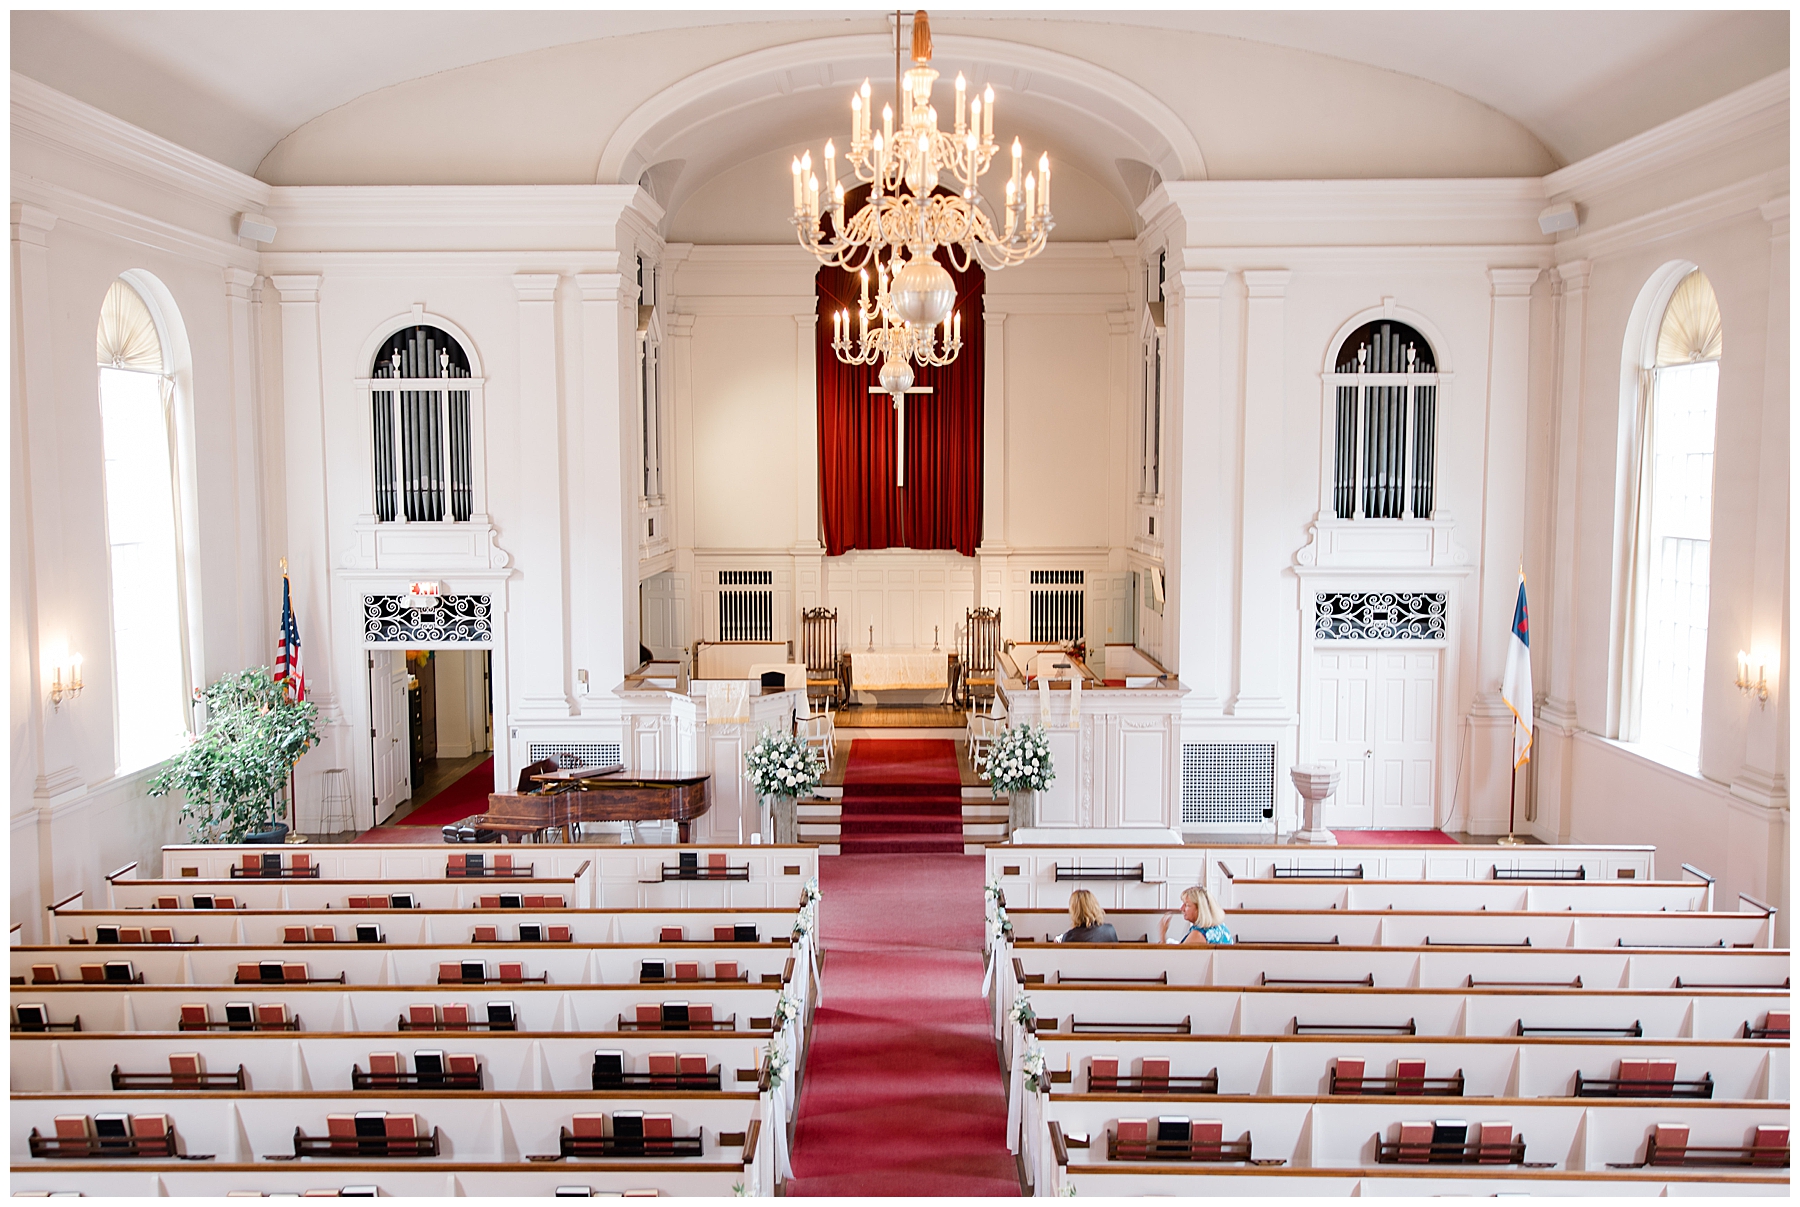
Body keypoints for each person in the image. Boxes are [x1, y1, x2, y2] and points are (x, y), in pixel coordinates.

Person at [1159, 885, 1234, 945]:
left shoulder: (1198, 935)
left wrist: (1162, 936)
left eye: (1187, 905)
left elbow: (1175, 958)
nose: (1181, 908)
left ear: (1200, 909)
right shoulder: (1220, 926)